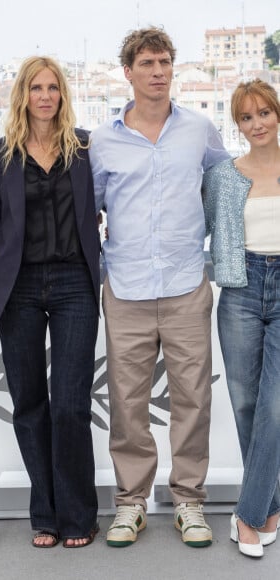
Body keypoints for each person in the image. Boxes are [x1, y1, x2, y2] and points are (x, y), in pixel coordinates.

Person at [89, 27, 229, 548]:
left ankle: (190, 501)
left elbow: (222, 190)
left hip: (186, 283)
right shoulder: (102, 141)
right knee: (128, 402)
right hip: (125, 288)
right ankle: (131, 504)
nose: (158, 71)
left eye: (165, 61)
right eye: (147, 62)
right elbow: (91, 210)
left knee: (193, 398)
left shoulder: (199, 130)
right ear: (127, 72)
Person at [0, 56, 101, 549]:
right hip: (20, 288)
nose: (46, 96)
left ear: (63, 95)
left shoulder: (86, 149)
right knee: (29, 402)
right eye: (37, 87)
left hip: (75, 281)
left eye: (54, 87)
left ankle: (79, 515)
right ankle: (45, 513)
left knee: (71, 405)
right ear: (23, 95)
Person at [203, 79, 280, 558]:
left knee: (275, 405)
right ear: (238, 124)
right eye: (247, 118)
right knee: (246, 402)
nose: (257, 124)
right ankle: (271, 505)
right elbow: (206, 228)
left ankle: (247, 515)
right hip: (241, 288)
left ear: (278, 113)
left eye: (265, 113)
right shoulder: (224, 175)